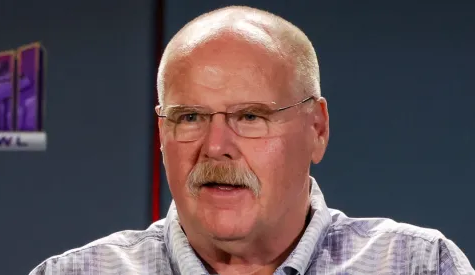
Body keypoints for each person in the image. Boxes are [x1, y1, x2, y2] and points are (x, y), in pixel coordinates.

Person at [30, 5, 474, 275]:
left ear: (317, 129)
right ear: (162, 135)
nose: (217, 145)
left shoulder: (420, 265)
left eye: (249, 116)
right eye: (189, 117)